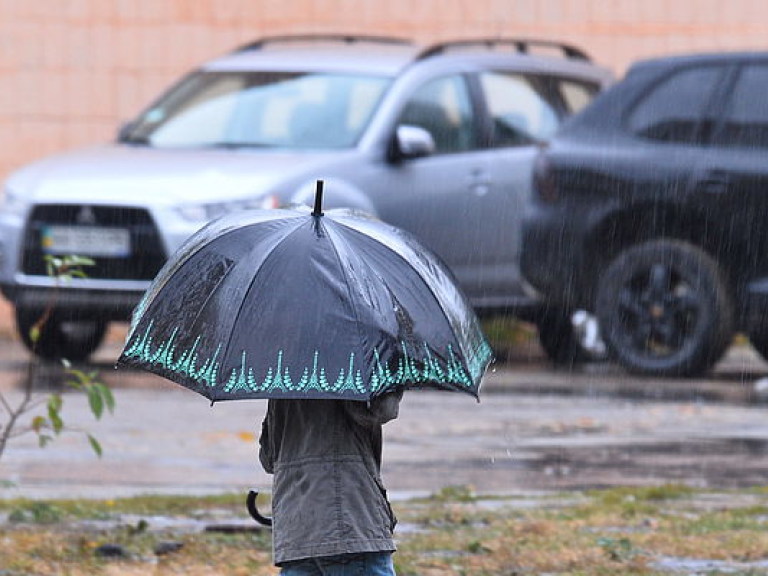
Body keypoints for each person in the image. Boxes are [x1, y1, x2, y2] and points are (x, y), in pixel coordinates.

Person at [258, 389, 403, 575]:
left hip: (296, 534)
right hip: (349, 525)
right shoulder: (347, 369)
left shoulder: (283, 379)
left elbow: (268, 459)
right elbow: (380, 411)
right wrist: (395, 379)